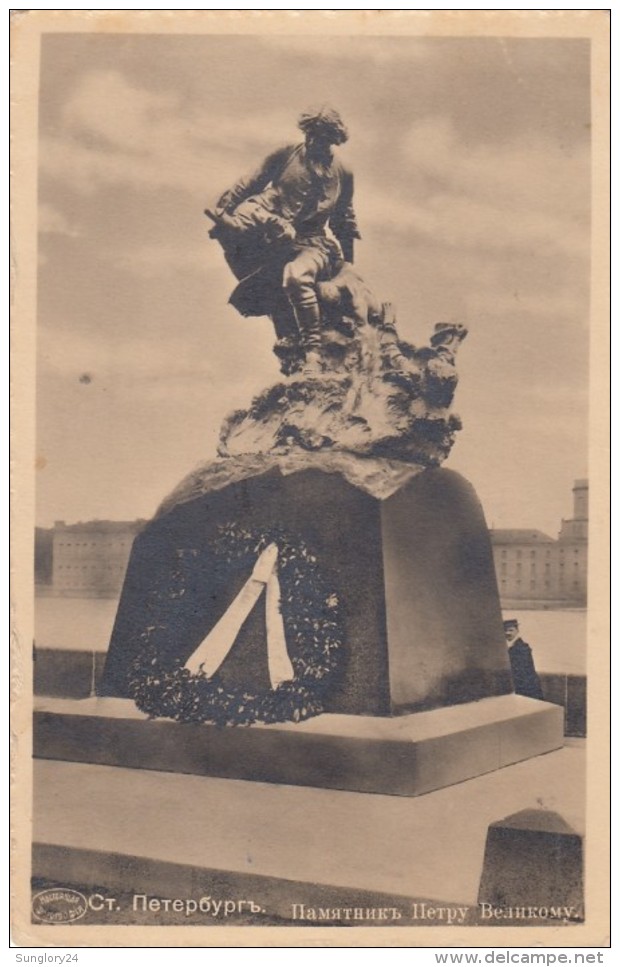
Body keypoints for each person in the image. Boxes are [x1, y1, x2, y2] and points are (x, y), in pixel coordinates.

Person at [208, 105, 361, 375]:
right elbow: (249, 183)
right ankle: (291, 354)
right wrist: (223, 212)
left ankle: (312, 351)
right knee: (270, 290)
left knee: (296, 276)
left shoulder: (343, 174)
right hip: (272, 237)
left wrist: (348, 265)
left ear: (333, 139)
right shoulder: (286, 154)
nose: (312, 142)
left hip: (313, 244)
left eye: (321, 137)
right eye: (309, 135)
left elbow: (343, 221)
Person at [504, 618, 544, 700]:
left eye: (511, 630)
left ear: (517, 631)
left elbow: (521, 671)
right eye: (505, 630)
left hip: (527, 687)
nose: (507, 633)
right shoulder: (509, 647)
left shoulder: (523, 647)